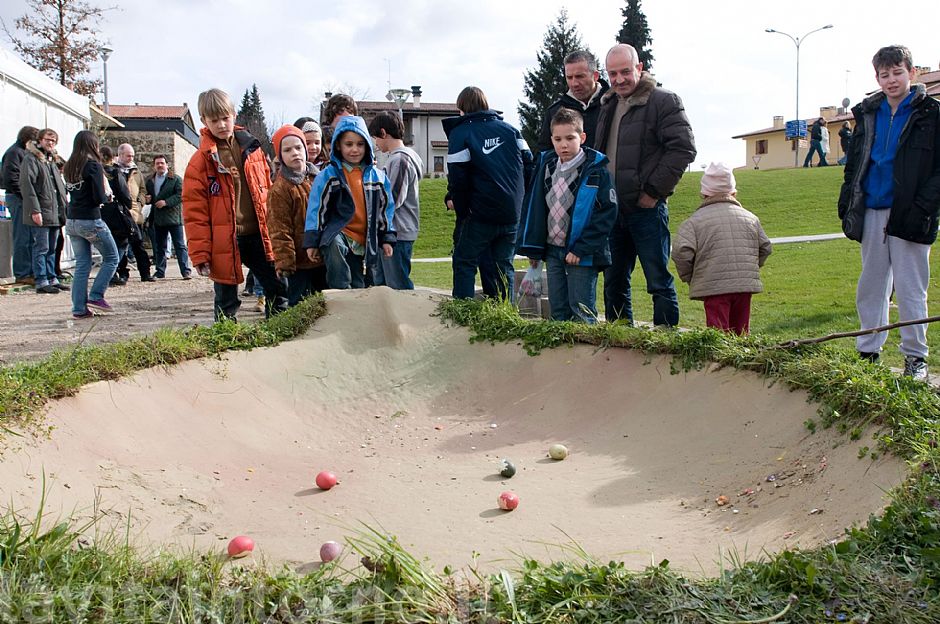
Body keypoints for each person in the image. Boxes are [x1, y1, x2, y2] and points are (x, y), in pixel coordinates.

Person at [838, 45, 940, 381]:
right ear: (877, 78)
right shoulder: (868, 113)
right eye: (885, 74)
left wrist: (925, 206)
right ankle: (868, 350)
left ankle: (915, 358)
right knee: (872, 284)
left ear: (912, 73)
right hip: (872, 210)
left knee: (911, 288)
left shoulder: (931, 114)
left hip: (911, 212)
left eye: (898, 72)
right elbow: (855, 161)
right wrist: (847, 199)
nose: (892, 80)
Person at [594, 43, 696, 326]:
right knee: (613, 282)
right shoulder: (608, 104)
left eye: (625, 71)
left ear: (639, 68)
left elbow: (683, 149)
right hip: (612, 211)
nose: (619, 80)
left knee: (657, 280)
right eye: (612, 74)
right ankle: (619, 341)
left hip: (646, 210)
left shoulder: (664, 101)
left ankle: (665, 342)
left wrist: (653, 192)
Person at [182, 87, 287, 321]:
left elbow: (267, 192)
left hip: (258, 233)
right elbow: (194, 212)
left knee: (278, 287)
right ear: (204, 121)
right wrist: (199, 253)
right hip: (224, 237)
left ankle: (280, 334)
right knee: (226, 298)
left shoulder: (254, 149)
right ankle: (227, 342)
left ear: (234, 115)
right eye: (214, 120)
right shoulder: (200, 162)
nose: (221, 124)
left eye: (225, 118)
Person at [517, 108, 617, 322]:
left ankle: (584, 355)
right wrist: (534, 247)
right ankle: (561, 355)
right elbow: (534, 208)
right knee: (557, 310)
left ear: (582, 137)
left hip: (581, 253)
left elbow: (606, 215)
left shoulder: (596, 170)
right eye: (558, 139)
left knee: (581, 310)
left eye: (570, 138)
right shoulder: (546, 166)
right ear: (551, 139)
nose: (563, 144)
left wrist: (582, 248)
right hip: (553, 250)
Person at [445, 86, 533, 300]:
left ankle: (463, 313)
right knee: (504, 266)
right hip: (511, 214)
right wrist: (521, 201)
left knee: (465, 261)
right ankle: (505, 317)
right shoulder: (511, 130)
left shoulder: (460, 133)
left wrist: (463, 211)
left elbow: (459, 179)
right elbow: (530, 165)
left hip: (479, 215)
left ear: (461, 109)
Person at [672, 162, 772, 335]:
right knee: (741, 333)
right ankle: (742, 359)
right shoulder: (750, 218)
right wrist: (750, 266)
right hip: (744, 285)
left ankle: (719, 362)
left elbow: (681, 252)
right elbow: (765, 247)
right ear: (733, 192)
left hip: (713, 286)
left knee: (718, 335)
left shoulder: (694, 222)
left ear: (703, 193)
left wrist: (691, 277)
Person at [302, 115, 395, 289]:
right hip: (338, 232)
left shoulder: (378, 178)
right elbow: (316, 210)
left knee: (358, 280)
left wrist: (387, 238)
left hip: (363, 238)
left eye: (360, 144)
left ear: (367, 145)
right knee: (334, 247)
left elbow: (385, 210)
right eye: (349, 144)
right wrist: (312, 241)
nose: (355, 150)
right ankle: (339, 290)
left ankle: (355, 305)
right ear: (338, 145)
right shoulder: (329, 176)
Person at [62, 130, 119, 318]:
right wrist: (107, 197)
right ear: (92, 145)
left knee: (82, 265)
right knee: (112, 257)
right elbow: (97, 196)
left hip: (72, 221)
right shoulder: (92, 165)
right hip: (90, 219)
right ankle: (96, 295)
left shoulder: (70, 166)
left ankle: (79, 309)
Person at [267, 125, 325, 305]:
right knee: (299, 304)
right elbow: (279, 228)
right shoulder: (280, 189)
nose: (295, 153)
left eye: (298, 147)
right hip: (298, 262)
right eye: (287, 150)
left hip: (322, 257)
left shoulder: (319, 178)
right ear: (280, 155)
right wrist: (285, 262)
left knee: (324, 303)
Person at [368, 111, 423, 290]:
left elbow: (393, 199)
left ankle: (408, 318)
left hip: (397, 232)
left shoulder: (400, 159)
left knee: (398, 287)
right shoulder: (398, 158)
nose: (376, 143)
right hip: (392, 231)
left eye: (376, 137)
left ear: (384, 133)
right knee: (384, 287)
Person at [20, 128, 69, 294]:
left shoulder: (51, 161)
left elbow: (59, 186)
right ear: (40, 140)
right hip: (42, 210)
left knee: (52, 247)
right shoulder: (31, 159)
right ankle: (41, 280)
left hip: (54, 211)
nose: (50, 143)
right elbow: (28, 185)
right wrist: (35, 210)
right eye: (48, 139)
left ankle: (52, 277)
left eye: (53, 140)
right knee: (41, 247)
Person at [536, 50, 609, 153]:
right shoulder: (554, 112)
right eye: (569, 77)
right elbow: (543, 155)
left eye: (580, 76)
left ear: (595, 76)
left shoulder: (613, 104)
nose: (574, 83)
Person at [102, 147, 155, 284]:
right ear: (119, 155)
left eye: (132, 156)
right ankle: (121, 273)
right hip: (117, 212)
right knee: (120, 242)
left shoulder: (136, 171)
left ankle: (145, 273)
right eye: (128, 156)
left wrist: (140, 202)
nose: (131, 158)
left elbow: (142, 190)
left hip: (134, 211)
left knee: (137, 243)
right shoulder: (112, 171)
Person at [1, 126, 40, 285]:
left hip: (24, 198)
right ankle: (22, 273)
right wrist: (27, 197)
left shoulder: (22, 152)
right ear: (28, 140)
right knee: (22, 236)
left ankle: (28, 271)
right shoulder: (15, 153)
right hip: (18, 199)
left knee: (30, 237)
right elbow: (12, 179)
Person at [145, 154, 191, 279]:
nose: (160, 165)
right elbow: (148, 195)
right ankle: (160, 271)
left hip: (173, 217)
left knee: (179, 245)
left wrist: (166, 202)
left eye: (162, 163)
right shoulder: (150, 180)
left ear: (167, 165)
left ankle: (185, 270)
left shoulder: (175, 179)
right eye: (157, 163)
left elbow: (181, 194)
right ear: (154, 166)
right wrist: (147, 199)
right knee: (160, 246)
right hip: (158, 218)